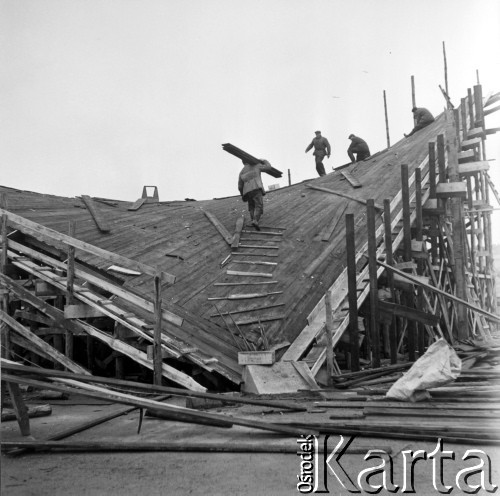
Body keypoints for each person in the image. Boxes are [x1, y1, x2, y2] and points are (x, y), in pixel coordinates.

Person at [238, 159, 273, 230]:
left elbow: (240, 186)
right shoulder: (257, 166)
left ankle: (253, 220)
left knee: (251, 207)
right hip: (256, 188)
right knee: (259, 205)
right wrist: (264, 160)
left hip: (247, 192)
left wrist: (242, 195)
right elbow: (268, 167)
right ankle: (255, 220)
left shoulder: (241, 172)